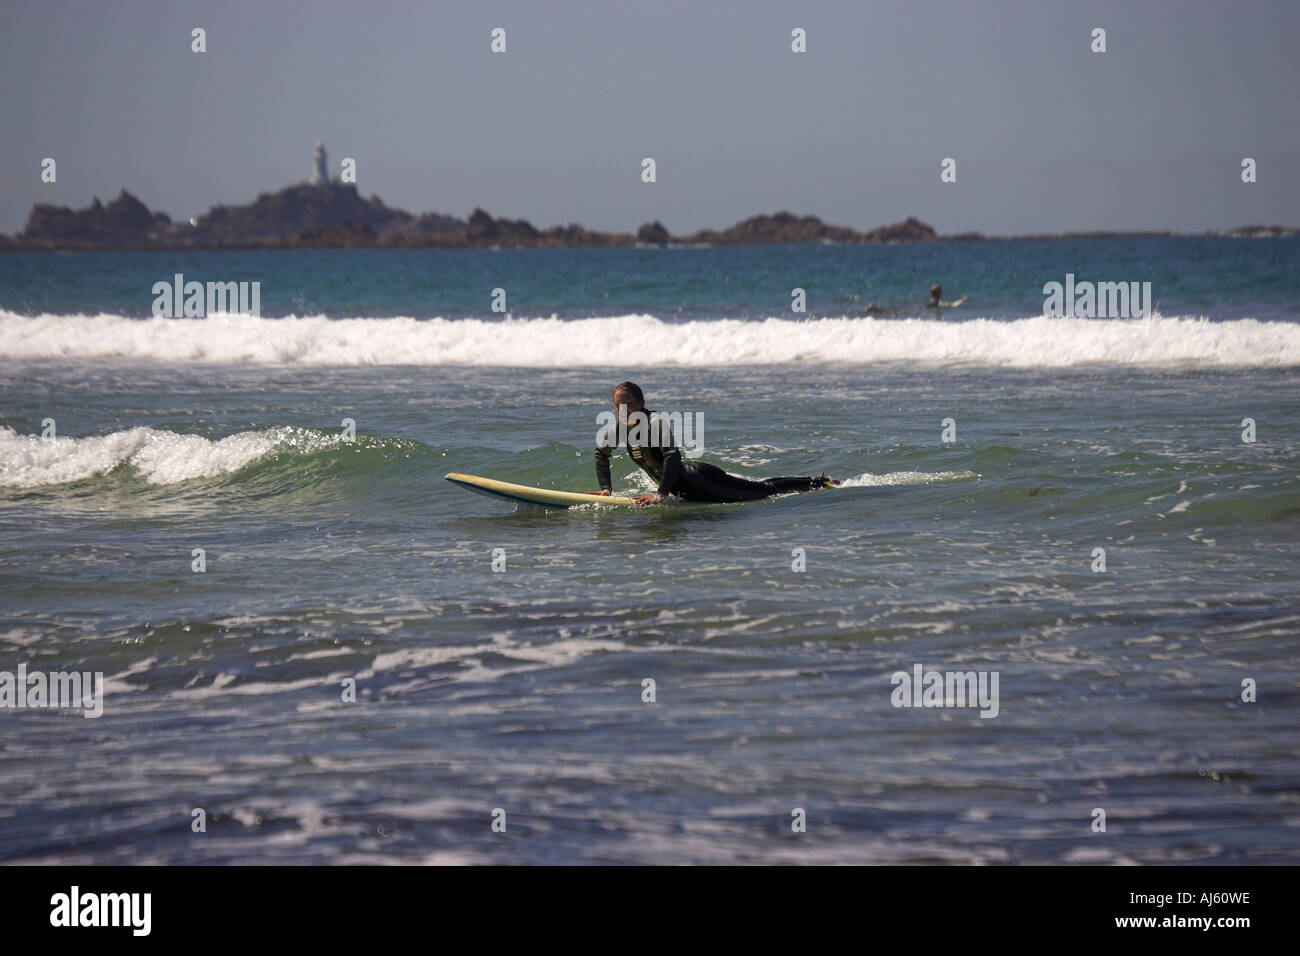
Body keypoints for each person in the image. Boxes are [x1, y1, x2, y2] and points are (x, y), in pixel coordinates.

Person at [592, 381, 839, 506]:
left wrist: (660, 494)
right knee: (759, 491)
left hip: (700, 480)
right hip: (682, 490)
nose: (623, 410)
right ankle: (814, 482)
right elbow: (600, 454)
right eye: (617, 406)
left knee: (762, 492)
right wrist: (606, 489)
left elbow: (672, 456)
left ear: (642, 403)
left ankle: (817, 482)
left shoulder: (655, 421)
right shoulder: (621, 429)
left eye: (628, 405)